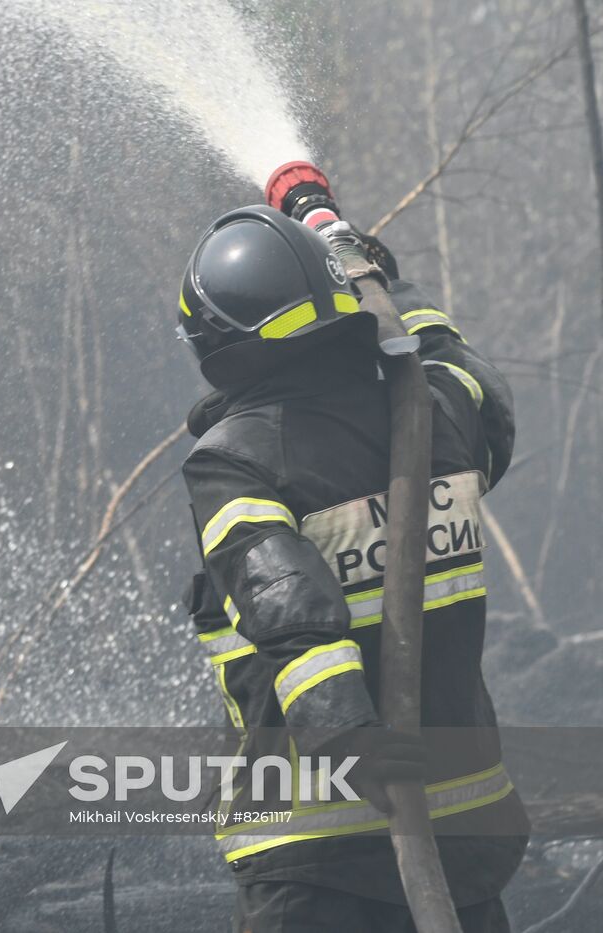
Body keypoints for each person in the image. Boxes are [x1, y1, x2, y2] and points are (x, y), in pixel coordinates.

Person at [176, 205, 529, 932]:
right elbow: (465, 373)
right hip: (462, 838)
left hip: (318, 850)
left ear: (216, 342)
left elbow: (288, 605)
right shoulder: (434, 419)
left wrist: (349, 739)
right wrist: (385, 282)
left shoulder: (235, 461)